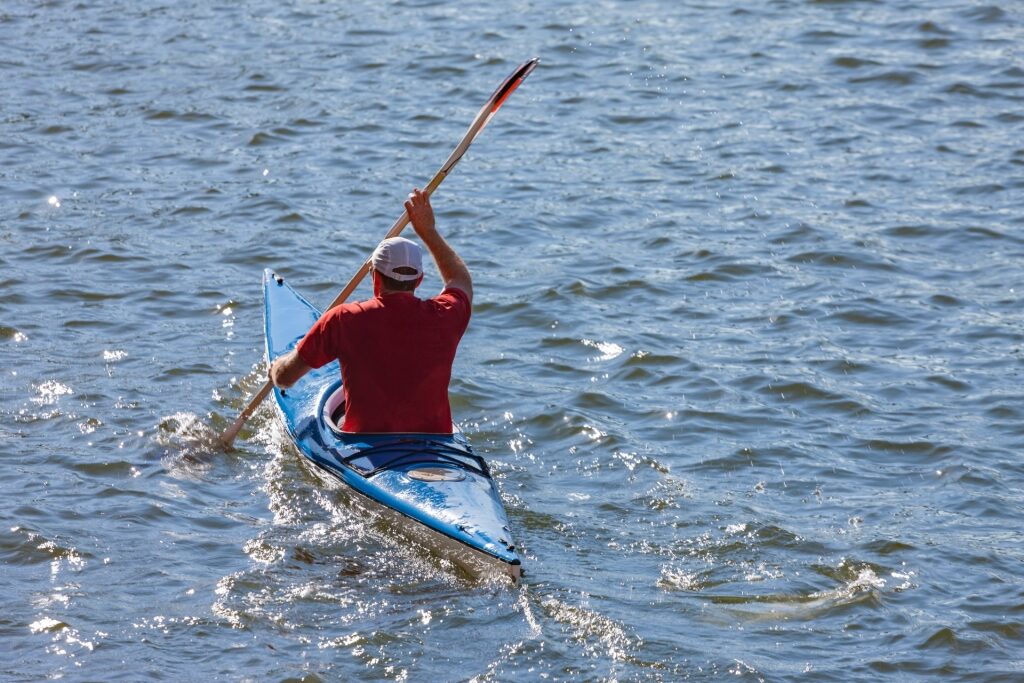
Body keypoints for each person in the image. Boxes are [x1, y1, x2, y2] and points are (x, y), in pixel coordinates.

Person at [268, 188, 472, 434]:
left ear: (375, 277)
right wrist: (428, 231)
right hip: (434, 443)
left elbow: (286, 378)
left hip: (366, 445)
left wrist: (275, 368)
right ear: (419, 280)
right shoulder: (447, 315)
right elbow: (459, 280)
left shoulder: (343, 319)